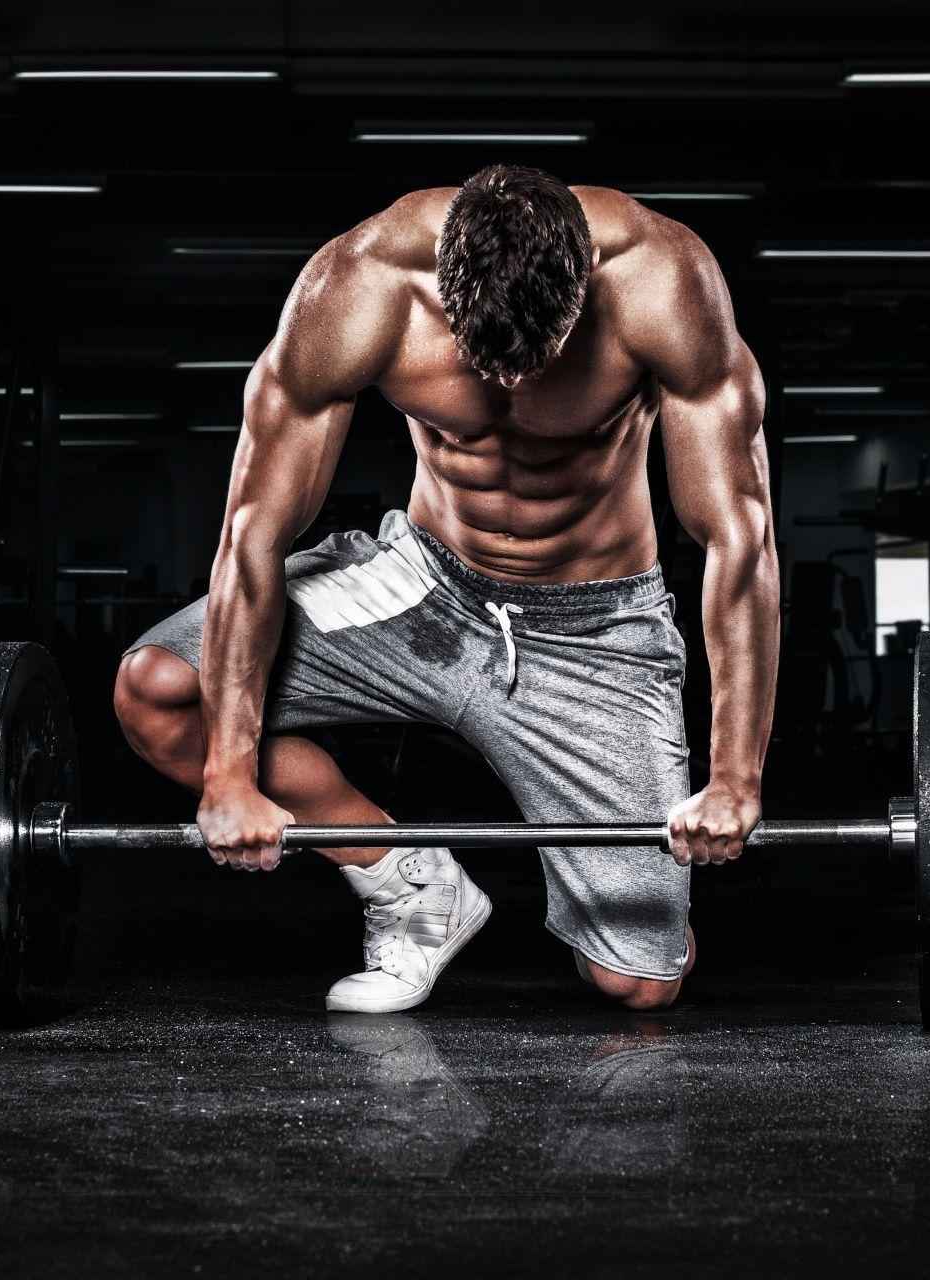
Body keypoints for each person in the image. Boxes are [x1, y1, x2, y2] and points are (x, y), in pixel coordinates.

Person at [114, 164, 777, 1014]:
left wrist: (734, 776)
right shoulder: (364, 284)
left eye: (536, 363)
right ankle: (407, 881)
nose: (508, 387)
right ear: (443, 288)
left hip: (594, 627)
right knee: (162, 692)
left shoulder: (663, 281)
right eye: (484, 362)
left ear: (584, 292)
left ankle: (640, 925)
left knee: (639, 982)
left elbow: (739, 539)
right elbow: (254, 533)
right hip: (421, 585)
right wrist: (232, 775)